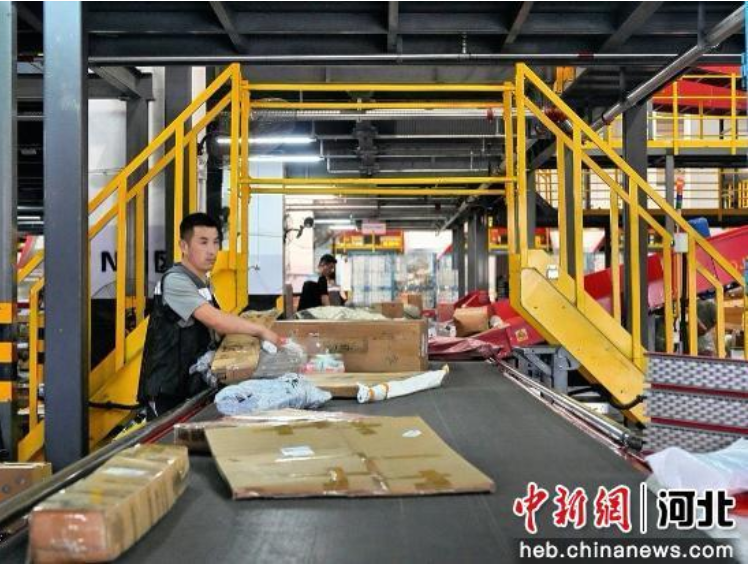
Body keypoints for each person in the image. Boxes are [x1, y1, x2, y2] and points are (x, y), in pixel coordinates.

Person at [138, 213, 281, 420]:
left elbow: (214, 325)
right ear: (184, 246)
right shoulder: (175, 280)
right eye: (203, 242)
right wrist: (260, 330)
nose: (212, 250)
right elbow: (216, 320)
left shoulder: (202, 282)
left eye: (216, 242)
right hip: (168, 393)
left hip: (189, 388)